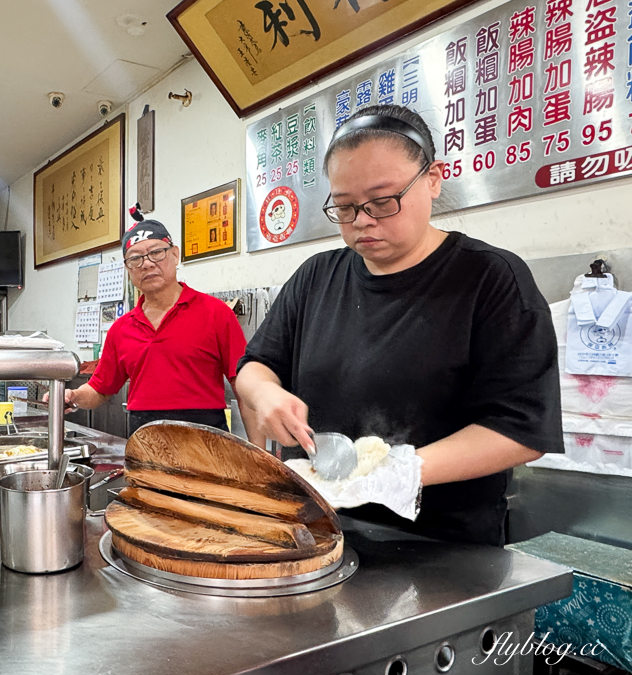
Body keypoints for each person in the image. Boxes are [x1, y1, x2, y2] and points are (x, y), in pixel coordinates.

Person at [235, 104, 563, 546]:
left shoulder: (489, 279)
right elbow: (256, 364)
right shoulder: (317, 276)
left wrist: (396, 472)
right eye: (345, 207)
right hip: (319, 530)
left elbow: (522, 429)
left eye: (383, 201)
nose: (363, 221)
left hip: (439, 546)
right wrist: (265, 393)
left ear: (432, 179)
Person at [63, 215, 260, 442]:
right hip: (145, 444)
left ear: (175, 254)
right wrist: (73, 396)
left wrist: (261, 458)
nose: (146, 263)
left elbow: (245, 391)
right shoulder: (121, 329)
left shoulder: (217, 313)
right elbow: (101, 389)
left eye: (156, 252)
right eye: (135, 258)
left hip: (207, 445)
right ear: (128, 269)